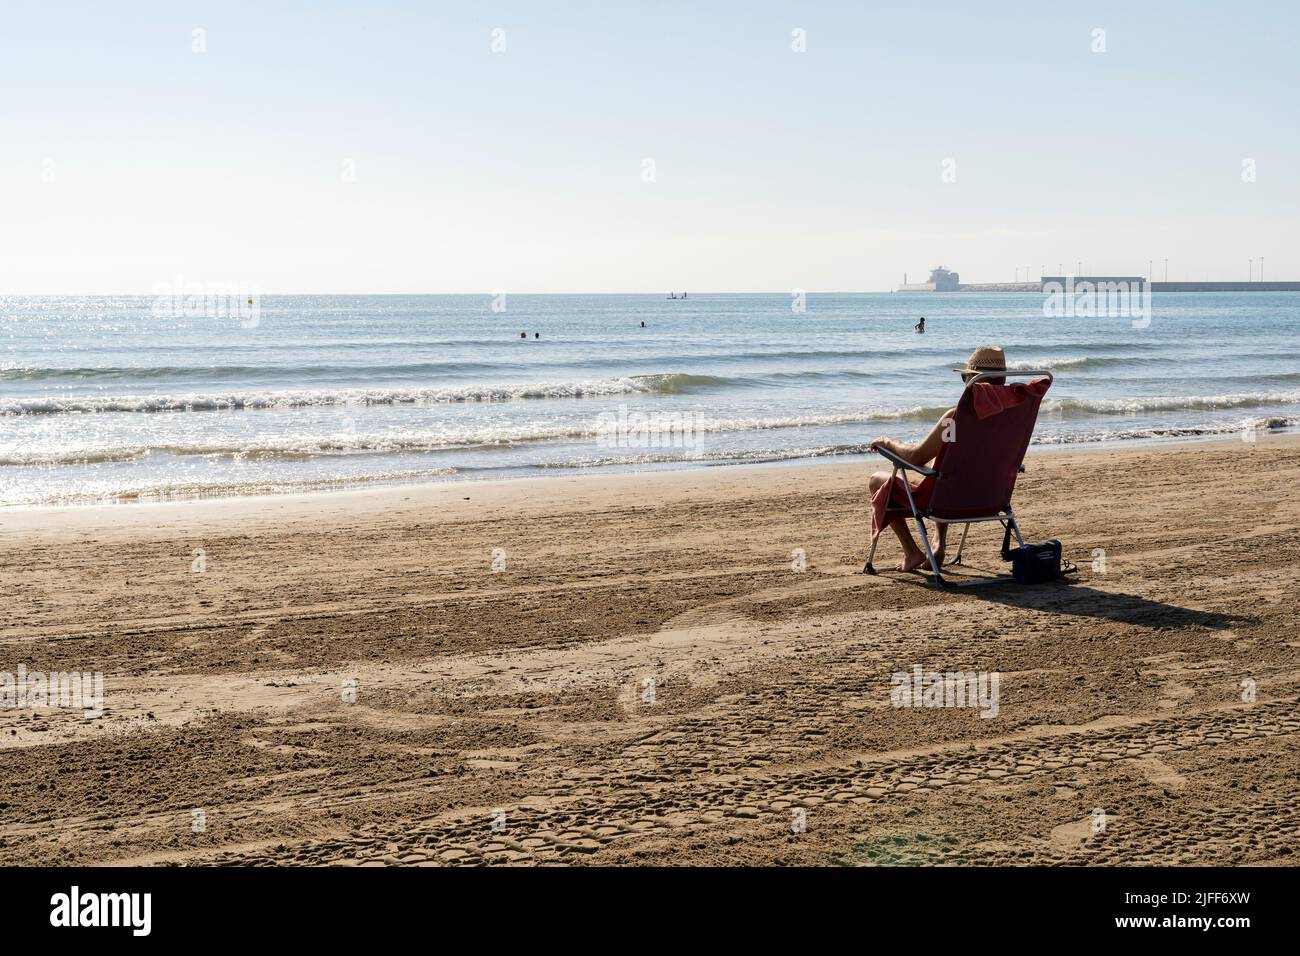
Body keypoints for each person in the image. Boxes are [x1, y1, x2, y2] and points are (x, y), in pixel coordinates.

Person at [867, 345, 1008, 572]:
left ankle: (912, 552)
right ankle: (937, 544)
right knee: (943, 467)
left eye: (965, 377)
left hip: (948, 502)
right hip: (991, 499)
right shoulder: (1011, 417)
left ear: (973, 379)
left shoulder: (955, 418)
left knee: (877, 480)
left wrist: (887, 443)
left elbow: (915, 456)